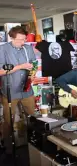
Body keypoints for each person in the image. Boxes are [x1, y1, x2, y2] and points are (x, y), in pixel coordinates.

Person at [0, 26, 36, 156]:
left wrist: (33, 73)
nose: (23, 42)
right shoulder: (3, 49)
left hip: (27, 90)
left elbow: (34, 64)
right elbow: (0, 71)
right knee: (8, 121)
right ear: (11, 38)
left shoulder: (28, 48)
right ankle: (8, 148)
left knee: (33, 118)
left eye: (24, 39)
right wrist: (20, 66)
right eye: (20, 40)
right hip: (10, 92)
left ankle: (34, 144)